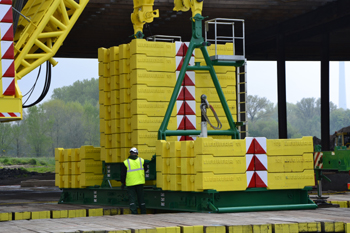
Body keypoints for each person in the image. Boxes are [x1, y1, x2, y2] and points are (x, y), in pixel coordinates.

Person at [121, 147, 147, 214]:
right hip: (140, 183)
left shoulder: (126, 162)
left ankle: (134, 212)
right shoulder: (142, 160)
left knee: (132, 199)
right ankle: (143, 212)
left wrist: (122, 183)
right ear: (137, 153)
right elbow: (146, 169)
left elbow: (123, 174)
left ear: (130, 154)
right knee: (141, 198)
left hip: (130, 184)